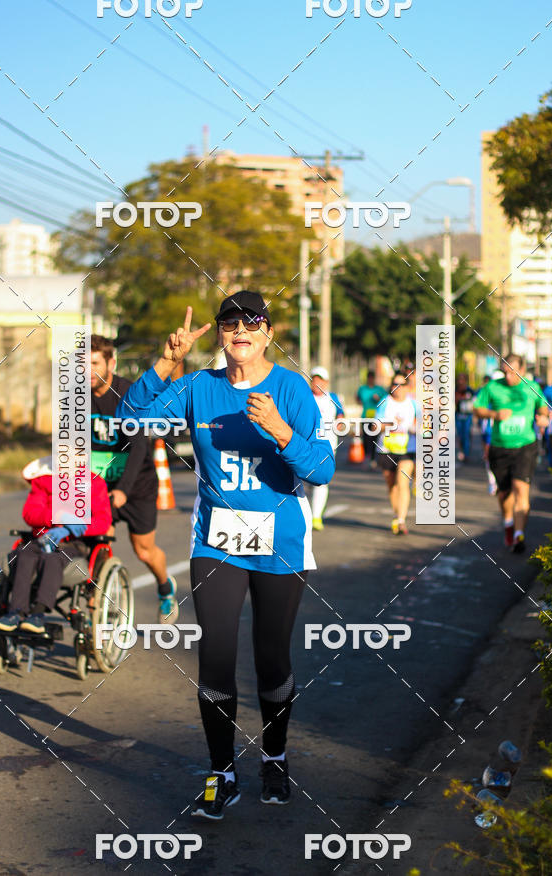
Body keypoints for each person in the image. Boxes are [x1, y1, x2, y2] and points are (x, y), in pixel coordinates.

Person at [116, 290, 335, 819]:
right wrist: (166, 363)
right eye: (230, 323)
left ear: (268, 333)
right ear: (219, 333)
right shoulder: (199, 386)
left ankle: (275, 756)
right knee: (215, 656)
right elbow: (130, 420)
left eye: (251, 322)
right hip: (216, 542)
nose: (240, 331)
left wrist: (281, 431)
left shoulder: (292, 388)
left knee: (271, 659)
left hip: (281, 544)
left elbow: (321, 469)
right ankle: (221, 772)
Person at [90, 335, 177, 624]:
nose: (87, 371)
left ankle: (165, 587)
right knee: (97, 542)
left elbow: (140, 447)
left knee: (144, 550)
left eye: (94, 363)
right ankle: (97, 599)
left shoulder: (128, 394)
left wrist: (124, 491)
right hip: (101, 486)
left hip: (136, 486)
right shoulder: (76, 399)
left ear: (111, 363)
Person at [0, 457, 112, 633]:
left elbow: (103, 521)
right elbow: (30, 513)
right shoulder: (44, 481)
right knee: (23, 555)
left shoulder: (94, 483)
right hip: (42, 538)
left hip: (74, 543)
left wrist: (72, 528)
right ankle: (15, 612)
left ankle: (38, 614)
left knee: (53, 559)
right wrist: (57, 515)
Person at [473, 354, 550, 553]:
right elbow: (477, 409)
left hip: (525, 446)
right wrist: (494, 414)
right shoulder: (492, 387)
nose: (508, 376)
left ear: (522, 370)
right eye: (505, 372)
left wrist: (543, 418)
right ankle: (509, 523)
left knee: (520, 488)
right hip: (499, 447)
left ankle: (519, 535)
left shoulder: (532, 387)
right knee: (504, 492)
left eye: (513, 372)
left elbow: (543, 407)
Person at [375, 373, 417, 535]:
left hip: (407, 450)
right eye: (394, 384)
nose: (397, 388)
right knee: (392, 486)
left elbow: (425, 423)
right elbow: (375, 426)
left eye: (401, 384)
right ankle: (396, 514)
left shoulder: (413, 404)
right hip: (386, 450)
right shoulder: (385, 402)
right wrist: (390, 425)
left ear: (407, 387)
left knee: (402, 483)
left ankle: (401, 520)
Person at [309, 365, 344, 530]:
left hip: (328, 445)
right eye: (314, 379)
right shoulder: (305, 396)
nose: (317, 383)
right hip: (306, 444)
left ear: (327, 382)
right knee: (301, 480)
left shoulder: (333, 398)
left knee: (321, 481)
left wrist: (340, 424)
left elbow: (341, 417)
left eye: (320, 380)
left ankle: (316, 517)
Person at [357, 370, 386, 467]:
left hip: (376, 418)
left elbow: (386, 400)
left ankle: (373, 458)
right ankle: (366, 456)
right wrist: (360, 402)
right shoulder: (362, 389)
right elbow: (357, 398)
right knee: (366, 438)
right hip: (365, 416)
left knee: (374, 438)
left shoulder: (379, 389)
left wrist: (378, 399)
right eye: (369, 378)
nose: (370, 380)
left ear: (374, 379)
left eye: (372, 378)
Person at [455, 373, 475, 462]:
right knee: (460, 435)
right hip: (458, 415)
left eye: (462, 379)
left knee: (466, 434)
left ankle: (466, 453)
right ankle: (461, 451)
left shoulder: (470, 390)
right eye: (459, 379)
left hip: (468, 416)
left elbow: (475, 402)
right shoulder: (455, 390)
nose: (460, 381)